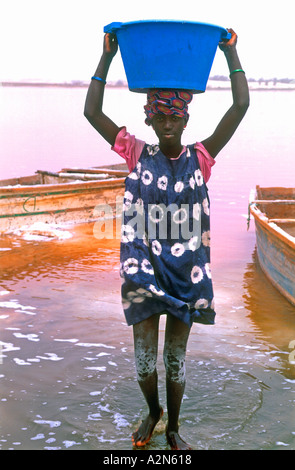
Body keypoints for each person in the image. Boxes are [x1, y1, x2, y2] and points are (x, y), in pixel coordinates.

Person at [84, 28, 249, 450]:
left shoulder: (201, 158)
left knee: (175, 358)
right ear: (149, 119)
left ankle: (173, 427)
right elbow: (92, 113)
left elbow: (241, 105)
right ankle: (152, 411)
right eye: (160, 117)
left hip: (186, 271)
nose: (168, 124)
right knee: (144, 359)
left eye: (175, 117)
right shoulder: (137, 154)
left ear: (187, 119)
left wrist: (231, 52)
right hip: (142, 266)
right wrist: (106, 58)